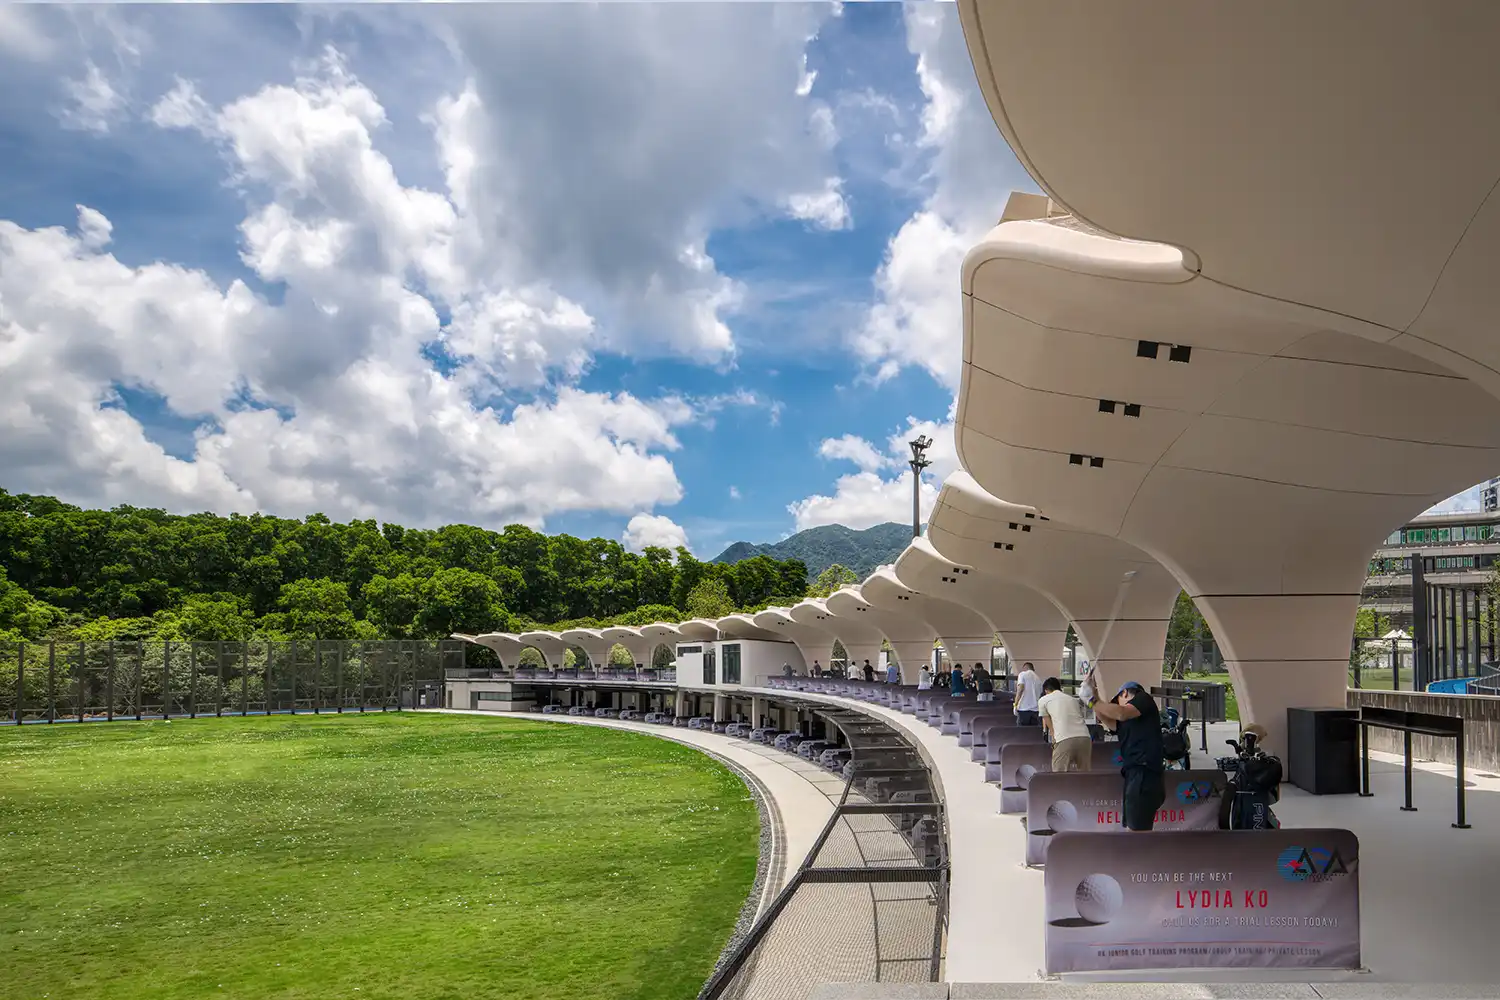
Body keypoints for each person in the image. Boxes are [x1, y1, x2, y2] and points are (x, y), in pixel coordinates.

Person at [1091, 682, 1165, 832]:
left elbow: (1121, 713)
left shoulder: (1143, 698)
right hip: (1135, 773)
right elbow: (1110, 722)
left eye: (1117, 702)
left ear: (1124, 693)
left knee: (1136, 831)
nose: (1116, 706)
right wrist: (1092, 700)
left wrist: (1093, 701)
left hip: (1144, 772)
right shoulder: (1130, 721)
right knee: (1133, 826)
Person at [1038, 677, 1091, 772]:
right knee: (1084, 774)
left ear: (1046, 690)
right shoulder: (1072, 699)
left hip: (1064, 738)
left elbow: (1048, 722)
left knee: (1059, 774)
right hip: (1085, 737)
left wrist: (1053, 737)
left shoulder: (1043, 700)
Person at [1076, 660, 1103, 741]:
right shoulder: (1085, 689)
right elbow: (1090, 703)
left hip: (1090, 721)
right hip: (1088, 722)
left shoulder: (1087, 688)